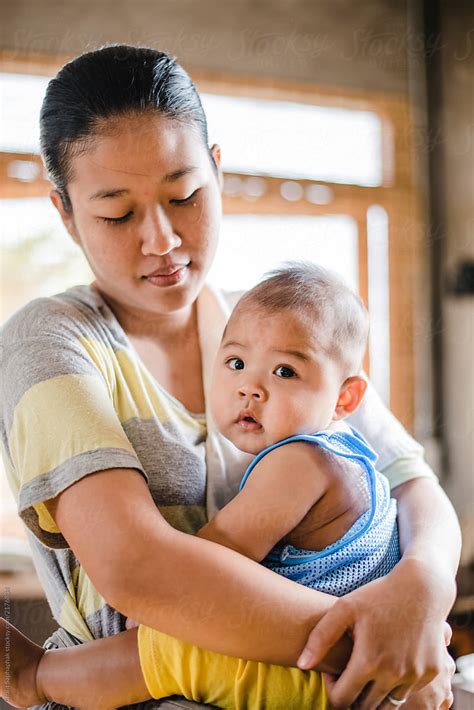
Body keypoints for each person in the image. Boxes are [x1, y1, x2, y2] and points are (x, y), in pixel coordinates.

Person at [0, 45, 459, 709]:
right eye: (117, 213)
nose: (160, 239)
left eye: (184, 195)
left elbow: (416, 489)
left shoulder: (279, 328)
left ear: (217, 173)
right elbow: (138, 569)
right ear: (66, 212)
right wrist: (376, 651)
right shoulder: (52, 341)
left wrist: (423, 586)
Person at [1, 263, 405, 709]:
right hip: (338, 663)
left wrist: (154, 612)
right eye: (236, 363)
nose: (250, 388)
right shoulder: (348, 453)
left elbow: (216, 554)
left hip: (311, 674)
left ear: (344, 399)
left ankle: (39, 675)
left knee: (166, 651)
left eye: (285, 372)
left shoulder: (300, 462)